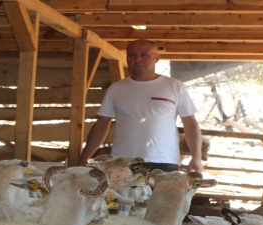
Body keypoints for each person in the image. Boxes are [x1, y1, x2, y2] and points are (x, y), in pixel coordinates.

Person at [77, 40, 204, 173]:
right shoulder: (116, 89)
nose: (137, 59)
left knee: (162, 195)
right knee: (117, 195)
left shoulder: (174, 86)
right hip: (122, 163)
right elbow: (101, 125)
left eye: (144, 54)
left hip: (164, 161)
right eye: (132, 55)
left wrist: (196, 158)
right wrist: (84, 159)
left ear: (157, 58)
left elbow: (190, 124)